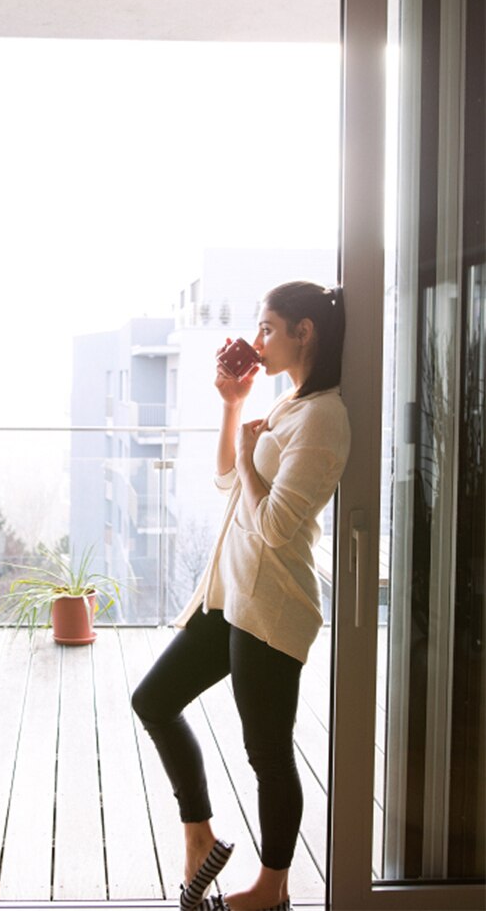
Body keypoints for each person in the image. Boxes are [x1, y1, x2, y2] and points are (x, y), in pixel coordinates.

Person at [131, 281, 350, 911]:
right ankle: (199, 837)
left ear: (304, 332)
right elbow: (229, 478)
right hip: (229, 596)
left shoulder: (324, 416)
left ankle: (272, 888)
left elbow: (278, 525)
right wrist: (233, 407)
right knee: (153, 699)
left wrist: (254, 462)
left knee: (267, 753)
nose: (259, 341)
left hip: (272, 606)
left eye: (268, 328)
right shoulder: (288, 405)